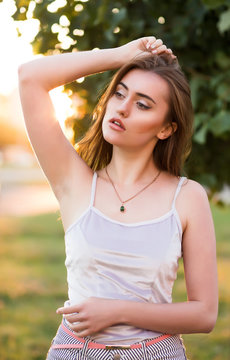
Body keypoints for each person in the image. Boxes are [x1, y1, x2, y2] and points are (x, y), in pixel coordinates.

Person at [18, 37, 218, 360]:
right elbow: (30, 78)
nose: (122, 107)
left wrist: (117, 311)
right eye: (120, 93)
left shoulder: (187, 197)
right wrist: (120, 55)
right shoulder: (75, 181)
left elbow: (205, 314)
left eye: (142, 104)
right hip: (75, 352)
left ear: (166, 128)